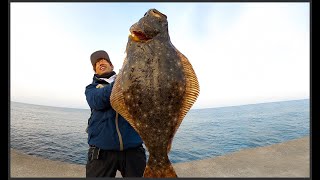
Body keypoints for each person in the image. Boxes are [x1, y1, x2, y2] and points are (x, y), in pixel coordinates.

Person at [85, 50, 146, 177]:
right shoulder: (91, 89)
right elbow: (97, 101)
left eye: (104, 60)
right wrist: (122, 80)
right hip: (101, 152)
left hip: (133, 149)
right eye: (96, 63)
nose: (100, 62)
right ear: (95, 70)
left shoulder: (131, 83)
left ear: (111, 65)